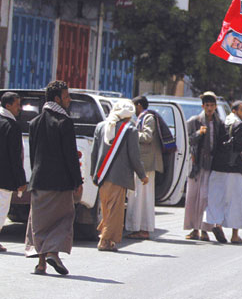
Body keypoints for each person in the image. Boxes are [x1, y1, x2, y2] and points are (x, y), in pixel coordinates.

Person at [25, 80, 82, 275]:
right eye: (66, 96)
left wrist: (35, 177)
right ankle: (53, 254)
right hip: (60, 183)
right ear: (57, 99)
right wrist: (77, 181)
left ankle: (41, 263)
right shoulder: (64, 122)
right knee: (63, 219)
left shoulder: (35, 123)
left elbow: (33, 156)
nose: (69, 100)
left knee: (39, 223)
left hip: (39, 181)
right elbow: (71, 156)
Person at [90, 100, 148, 251]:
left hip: (102, 176)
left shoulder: (101, 126)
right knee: (115, 211)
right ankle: (104, 240)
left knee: (106, 210)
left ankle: (108, 240)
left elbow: (94, 152)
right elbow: (134, 156)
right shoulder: (130, 130)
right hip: (119, 177)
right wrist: (142, 175)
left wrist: (93, 174)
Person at [203, 100, 242, 244]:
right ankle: (235, 235)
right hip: (235, 168)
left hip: (218, 167)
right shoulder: (240, 126)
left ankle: (218, 226)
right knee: (236, 201)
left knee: (217, 198)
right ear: (234, 111)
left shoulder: (221, 123)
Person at [184, 92, 222, 242]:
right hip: (197, 165)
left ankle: (205, 230)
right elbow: (189, 140)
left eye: (212, 105)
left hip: (212, 165)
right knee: (193, 197)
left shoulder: (219, 122)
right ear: (203, 106)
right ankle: (194, 229)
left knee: (207, 199)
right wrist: (199, 133)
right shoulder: (195, 121)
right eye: (207, 105)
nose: (210, 108)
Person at [125, 96, 163, 240]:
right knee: (136, 197)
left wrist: (131, 132)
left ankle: (143, 228)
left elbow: (147, 137)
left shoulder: (148, 118)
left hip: (145, 164)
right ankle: (137, 227)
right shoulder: (142, 117)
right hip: (141, 163)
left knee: (143, 198)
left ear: (139, 105)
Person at [0, 92, 27, 252]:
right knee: (1, 208)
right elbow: (15, 157)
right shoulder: (11, 126)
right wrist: (21, 181)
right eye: (17, 105)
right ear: (8, 105)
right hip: (4, 178)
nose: (19, 109)